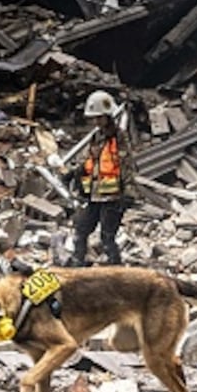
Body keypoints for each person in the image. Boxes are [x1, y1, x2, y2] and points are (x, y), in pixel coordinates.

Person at [66, 90, 135, 267]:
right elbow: (89, 161)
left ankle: (115, 270)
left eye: (99, 118)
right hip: (95, 195)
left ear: (107, 116)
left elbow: (126, 165)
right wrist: (75, 173)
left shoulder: (119, 137)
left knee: (107, 237)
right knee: (81, 229)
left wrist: (128, 191)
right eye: (93, 118)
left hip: (113, 196)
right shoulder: (96, 137)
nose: (95, 122)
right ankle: (77, 264)